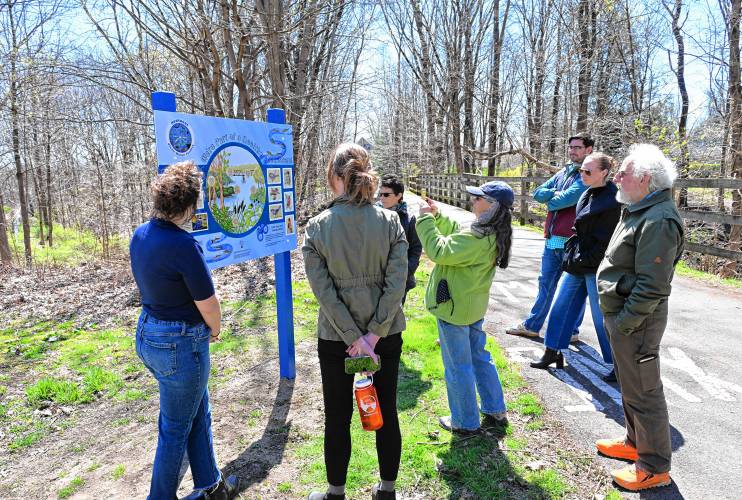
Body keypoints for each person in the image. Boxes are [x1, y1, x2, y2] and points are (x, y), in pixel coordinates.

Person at [302, 143, 408, 500]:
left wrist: (354, 337)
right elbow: (397, 286)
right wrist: (374, 335)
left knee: (337, 416)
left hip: (335, 339)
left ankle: (335, 492)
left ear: (334, 177)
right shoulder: (391, 221)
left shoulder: (317, 228)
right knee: (387, 410)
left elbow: (324, 292)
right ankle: (387, 490)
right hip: (386, 336)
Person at [129, 161, 238, 500]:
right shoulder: (183, 246)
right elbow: (209, 304)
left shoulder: (140, 234)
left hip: (150, 336)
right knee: (175, 429)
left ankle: (210, 484)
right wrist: (215, 329)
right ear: (190, 205)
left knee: (196, 410)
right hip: (180, 345)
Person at [595, 144, 684, 491]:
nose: (616, 176)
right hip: (624, 317)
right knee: (631, 386)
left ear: (645, 179)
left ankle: (654, 467)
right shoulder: (636, 208)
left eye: (624, 172)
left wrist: (625, 322)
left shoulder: (659, 219)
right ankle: (635, 444)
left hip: (636, 321)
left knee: (645, 391)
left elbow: (652, 285)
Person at [417, 181, 514, 434]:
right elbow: (456, 239)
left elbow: (439, 250)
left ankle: (464, 421)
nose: (472, 201)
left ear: (491, 206)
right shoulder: (489, 232)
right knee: (480, 357)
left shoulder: (477, 238)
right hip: (471, 308)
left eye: (478, 198)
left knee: (457, 366)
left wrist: (425, 221)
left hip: (454, 309)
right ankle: (494, 407)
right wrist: (438, 216)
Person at [530, 152, 620, 381]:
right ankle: (553, 352)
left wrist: (588, 259)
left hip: (597, 265)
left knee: (602, 318)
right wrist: (575, 254)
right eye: (581, 170)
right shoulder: (587, 193)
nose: (582, 174)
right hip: (579, 261)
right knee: (561, 307)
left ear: (604, 173)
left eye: (588, 171)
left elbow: (607, 239)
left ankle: (619, 366)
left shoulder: (614, 199)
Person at [506, 133, 592, 341]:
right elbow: (538, 193)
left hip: (572, 241)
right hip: (553, 239)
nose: (572, 151)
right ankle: (533, 326)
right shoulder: (564, 171)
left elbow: (560, 201)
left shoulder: (587, 175)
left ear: (589, 150)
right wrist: (555, 193)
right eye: (571, 147)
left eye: (578, 147)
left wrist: (552, 196)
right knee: (546, 284)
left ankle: (571, 331)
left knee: (574, 290)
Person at [377, 174, 423, 303]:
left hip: (400, 280)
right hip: (376, 279)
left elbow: (416, 249)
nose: (382, 198)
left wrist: (405, 273)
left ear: (399, 195)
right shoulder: (374, 216)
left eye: (386, 195)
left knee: (396, 317)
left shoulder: (410, 219)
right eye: (380, 194)